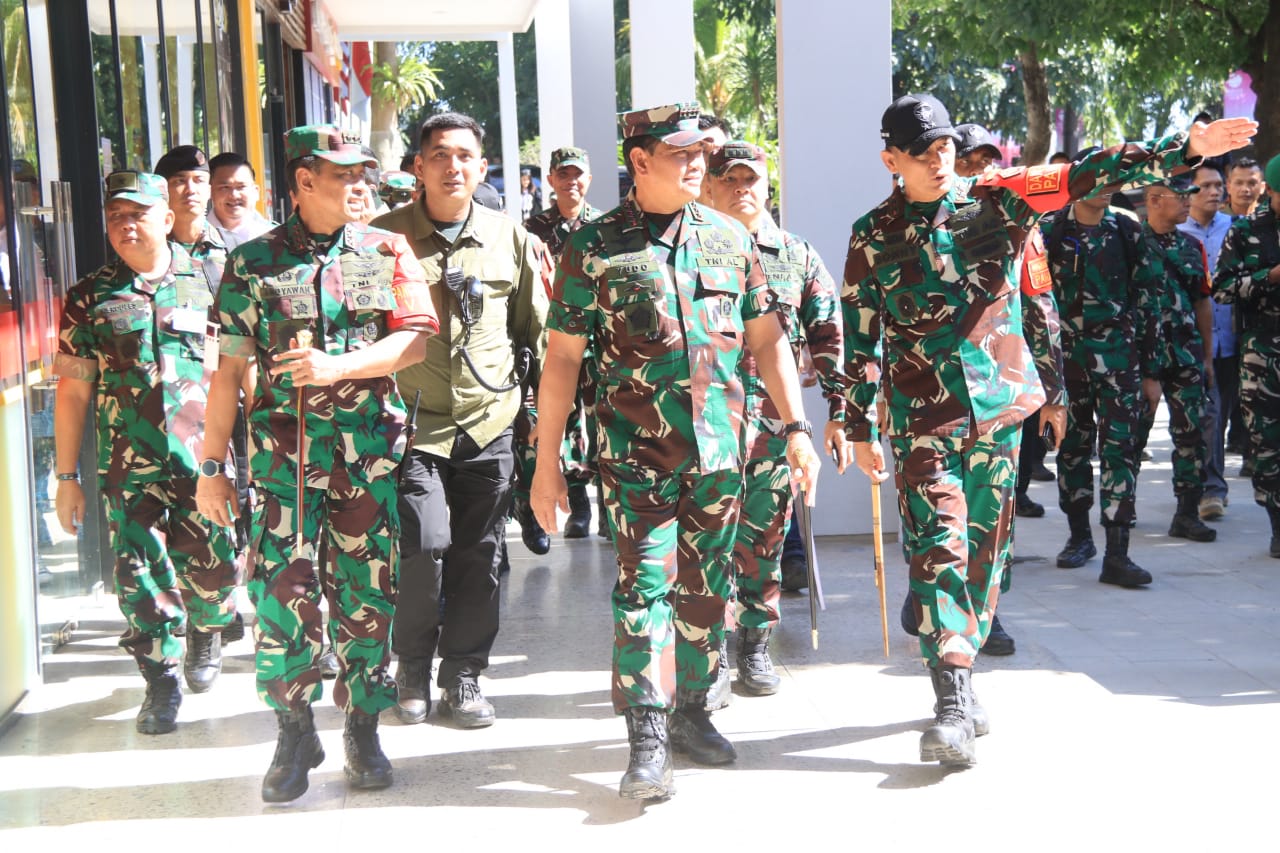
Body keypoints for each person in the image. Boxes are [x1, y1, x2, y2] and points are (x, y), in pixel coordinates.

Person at [843, 93, 1253, 768]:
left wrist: (1181, 152)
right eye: (924, 152)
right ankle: (950, 696)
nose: (941, 159)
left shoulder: (1001, 198)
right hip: (924, 419)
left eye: (946, 145)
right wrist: (855, 416)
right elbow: (860, 325)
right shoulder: (872, 231)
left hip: (999, 411)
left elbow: (1087, 174)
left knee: (987, 551)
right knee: (939, 546)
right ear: (892, 160)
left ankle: (963, 670)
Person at [530, 102, 820, 801]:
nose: (700, 163)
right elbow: (563, 359)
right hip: (637, 459)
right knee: (644, 593)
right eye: (682, 153)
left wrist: (798, 426)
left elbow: (768, 340)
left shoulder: (728, 236)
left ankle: (693, 709)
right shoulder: (594, 247)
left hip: (722, 454)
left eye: (703, 152)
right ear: (638, 161)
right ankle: (647, 734)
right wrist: (546, 466)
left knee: (705, 592)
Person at [196, 124, 438, 802]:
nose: (361, 184)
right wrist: (211, 465)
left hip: (366, 461)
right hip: (283, 466)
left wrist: (338, 366)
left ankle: (363, 724)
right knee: (282, 595)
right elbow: (228, 374)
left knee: (367, 595)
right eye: (343, 175)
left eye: (365, 172)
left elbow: (413, 343)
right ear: (304, 181)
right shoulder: (253, 262)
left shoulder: (388, 248)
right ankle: (294, 724)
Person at [370, 112, 549, 730]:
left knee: (481, 553)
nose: (454, 167)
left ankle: (465, 674)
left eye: (466, 156)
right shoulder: (379, 238)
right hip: (414, 426)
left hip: (489, 419)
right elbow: (364, 332)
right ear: (417, 167)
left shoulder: (513, 240)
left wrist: (545, 428)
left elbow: (539, 335)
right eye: (440, 155)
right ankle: (413, 665)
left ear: (482, 166)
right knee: (423, 546)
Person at [53, 171, 239, 734]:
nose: (126, 225)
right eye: (115, 217)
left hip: (201, 457)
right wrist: (66, 475)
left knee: (214, 569)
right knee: (138, 574)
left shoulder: (210, 280)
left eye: (137, 213)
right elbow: (73, 388)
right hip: (127, 465)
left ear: (166, 217)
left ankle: (206, 630)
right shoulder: (90, 296)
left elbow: (236, 370)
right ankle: (159, 681)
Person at [705, 139, 851, 697]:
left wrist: (840, 412)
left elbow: (830, 337)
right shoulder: (693, 249)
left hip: (771, 430)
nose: (741, 190)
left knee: (764, 540)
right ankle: (710, 652)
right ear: (711, 186)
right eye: (730, 180)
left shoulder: (797, 255)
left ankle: (755, 645)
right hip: (705, 427)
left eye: (751, 181)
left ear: (767, 187)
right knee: (707, 541)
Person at [153, 143, 252, 686]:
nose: (191, 189)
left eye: (198, 180)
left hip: (227, 404)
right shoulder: (149, 254)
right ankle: (202, 629)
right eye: (179, 181)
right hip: (166, 412)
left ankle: (214, 615)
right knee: (183, 525)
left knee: (229, 512)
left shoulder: (228, 255)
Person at [1042, 180, 1162, 586]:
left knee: (1120, 452)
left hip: (1119, 361)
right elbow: (1035, 302)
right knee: (1071, 450)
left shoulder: (1127, 230)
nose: (1107, 188)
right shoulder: (1050, 230)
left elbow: (1148, 299)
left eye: (1112, 181)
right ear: (1076, 186)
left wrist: (1151, 372)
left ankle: (1118, 553)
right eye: (1097, 181)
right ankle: (1079, 538)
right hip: (1066, 365)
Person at [523, 145, 605, 541]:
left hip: (603, 343)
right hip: (554, 341)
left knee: (606, 420)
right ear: (551, 179)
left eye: (578, 175)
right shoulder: (532, 230)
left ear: (588, 180)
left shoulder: (606, 228)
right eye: (563, 175)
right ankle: (578, 507)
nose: (571, 182)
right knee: (565, 420)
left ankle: (611, 507)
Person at [1136, 175, 1218, 543]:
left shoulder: (1190, 246)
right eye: (1181, 196)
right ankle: (1120, 511)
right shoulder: (1130, 243)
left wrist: (1207, 357)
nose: (1189, 202)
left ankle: (1186, 513)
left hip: (1184, 356)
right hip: (1140, 358)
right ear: (1154, 199)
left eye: (1191, 195)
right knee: (1130, 438)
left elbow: (1202, 301)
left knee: (1192, 435)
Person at [1214, 153, 1280, 557]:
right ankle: (1276, 522)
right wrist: (1268, 277)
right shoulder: (1245, 232)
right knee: (1266, 442)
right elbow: (1220, 287)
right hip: (1262, 351)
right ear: (1271, 190)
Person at [1177, 165, 1235, 521]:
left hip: (1235, 339)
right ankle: (1210, 488)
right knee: (1209, 415)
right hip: (1196, 345)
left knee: (1226, 416)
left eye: (1218, 186)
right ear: (1190, 192)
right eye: (1206, 187)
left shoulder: (1236, 230)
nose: (1215, 192)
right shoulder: (1177, 234)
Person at [207, 152, 277, 249]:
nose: (234, 195)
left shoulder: (277, 237)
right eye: (225, 187)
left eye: (241, 187)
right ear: (210, 191)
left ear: (255, 192)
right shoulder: (196, 237)